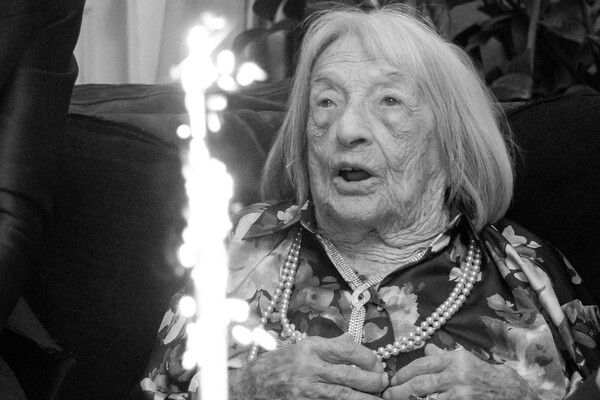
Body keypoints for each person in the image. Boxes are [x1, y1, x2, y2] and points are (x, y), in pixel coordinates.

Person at [140, 4, 600, 399]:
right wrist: (244, 389)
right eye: (326, 102)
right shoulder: (238, 249)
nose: (347, 129)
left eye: (389, 101)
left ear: (450, 141)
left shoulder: (525, 271)